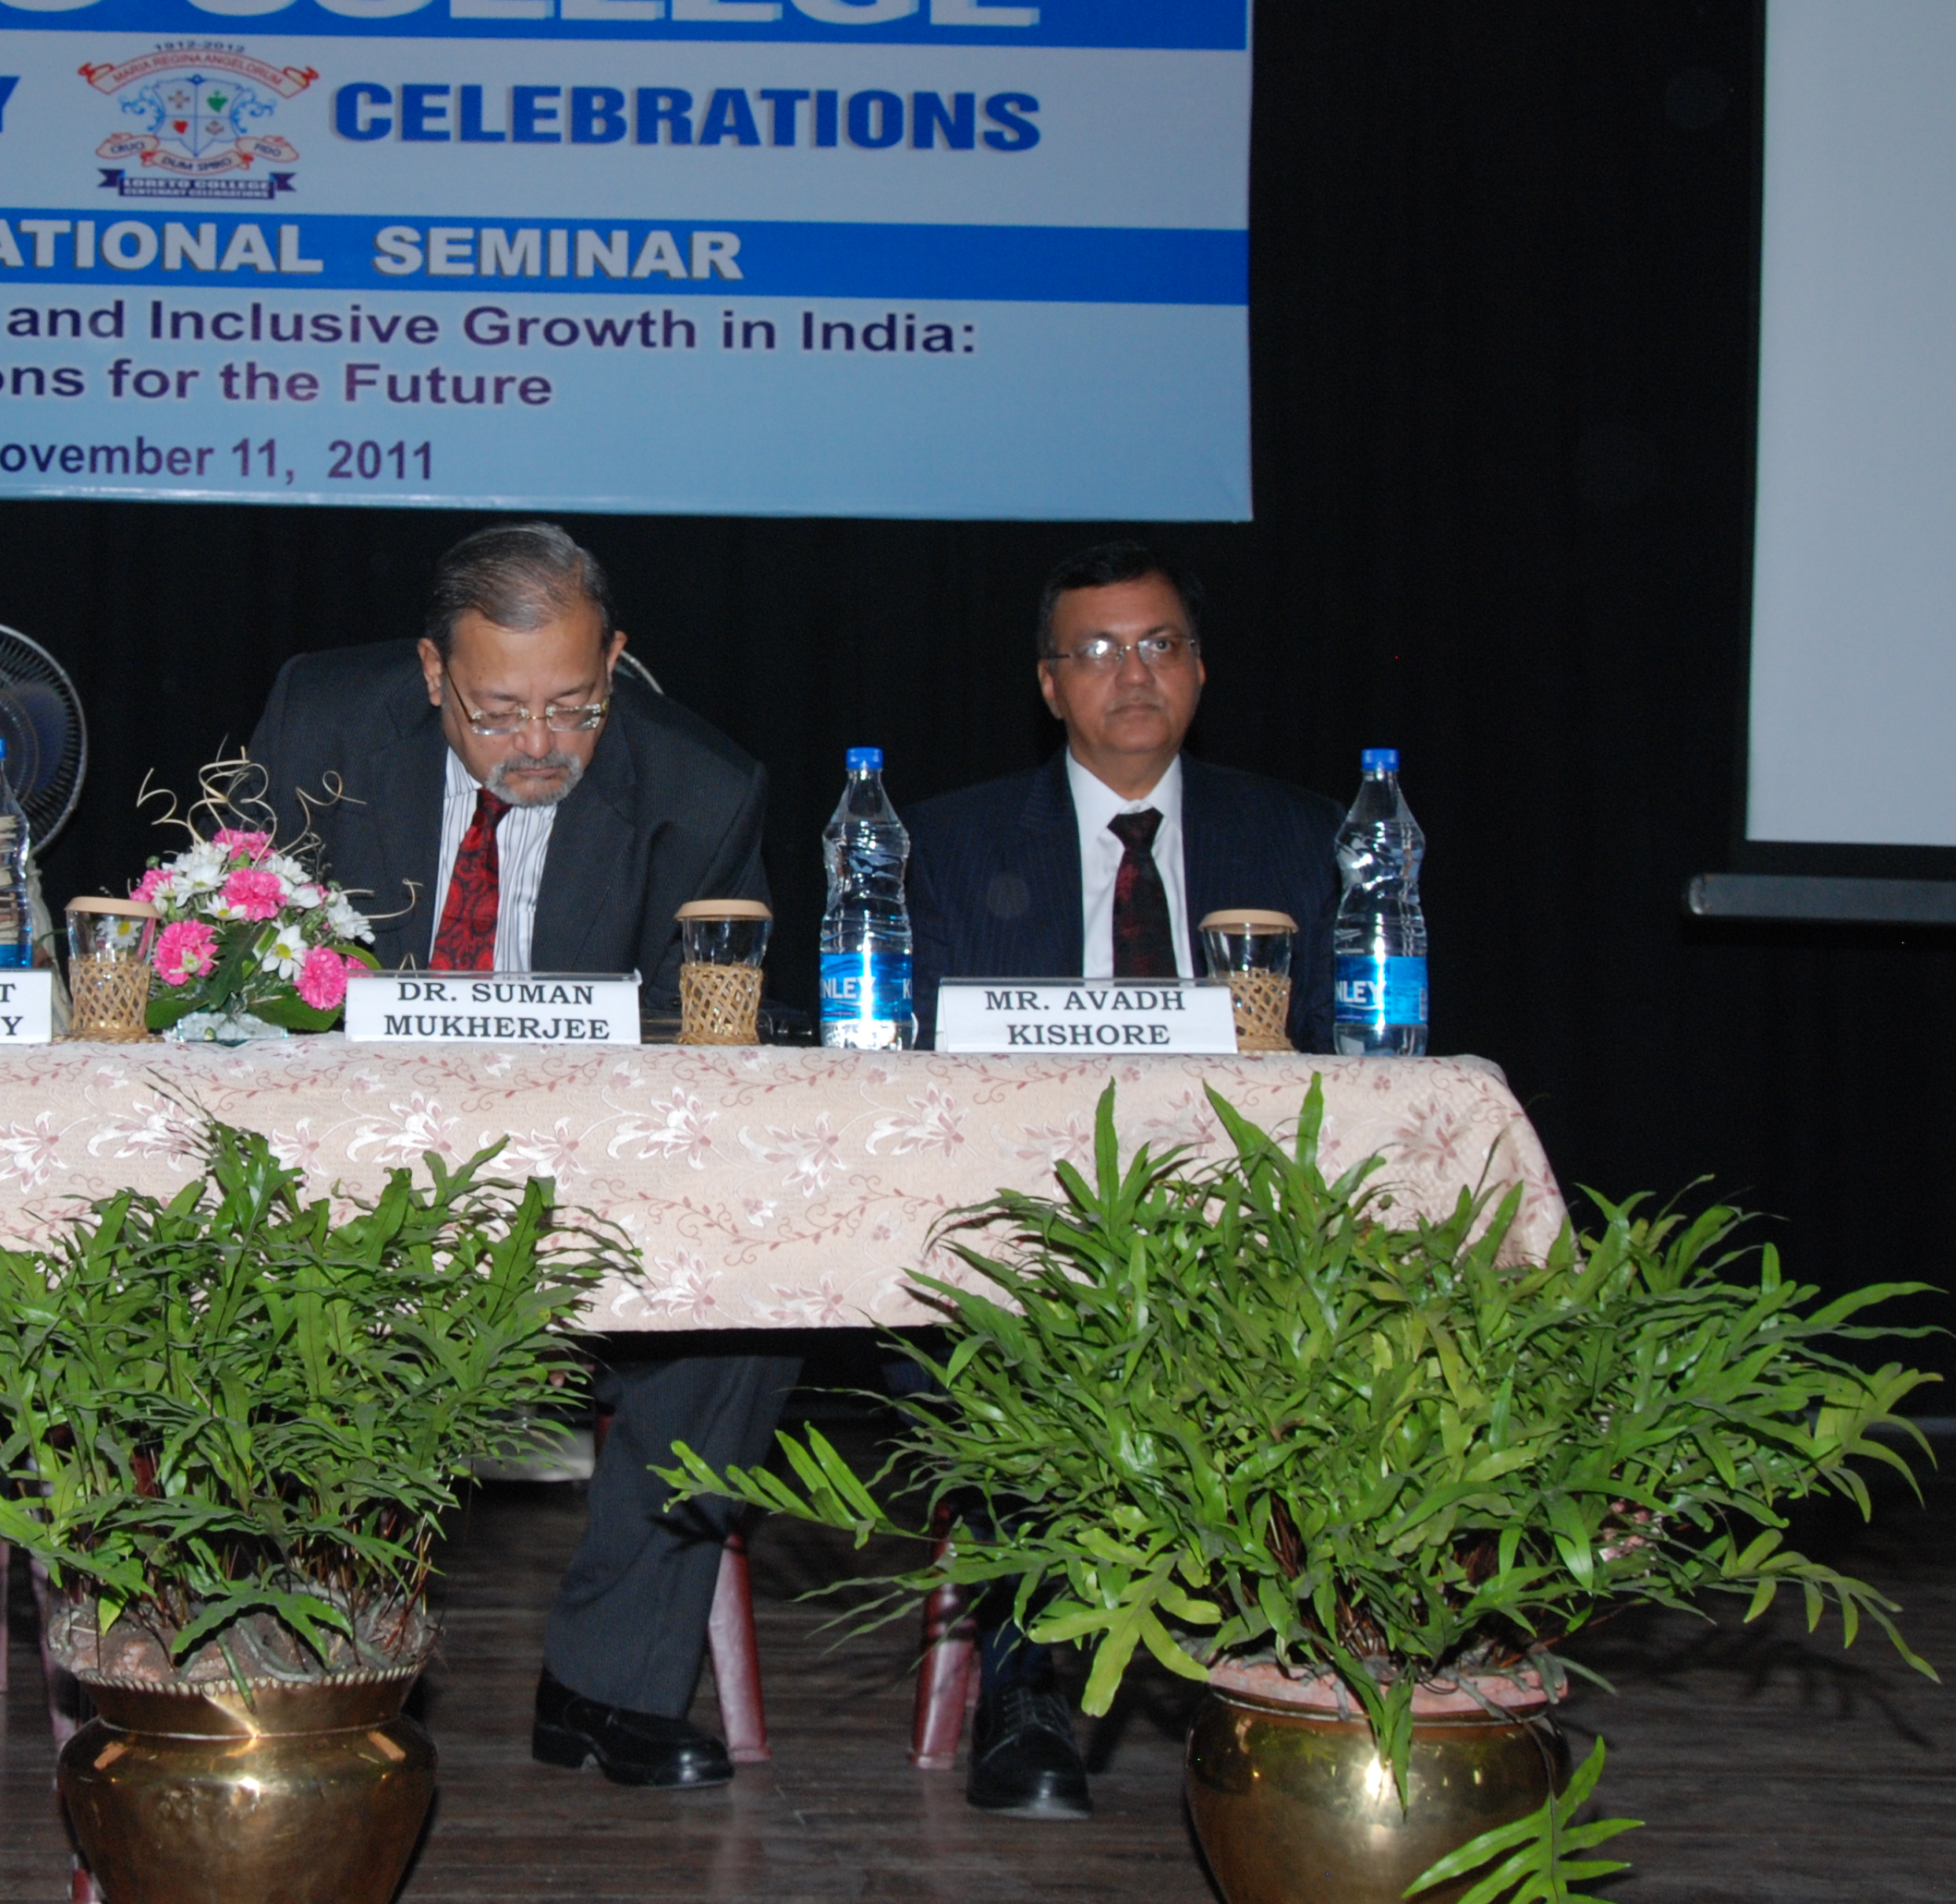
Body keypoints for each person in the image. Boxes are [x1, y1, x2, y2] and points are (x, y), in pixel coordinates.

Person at [249, 522, 796, 1791]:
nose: (540, 744)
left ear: (616, 659)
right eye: (498, 711)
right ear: (431, 673)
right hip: (349, 1184)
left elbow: (718, 1052)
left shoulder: (701, 788)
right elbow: (230, 964)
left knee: (757, 1309)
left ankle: (610, 1683)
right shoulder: (323, 725)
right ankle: (308, 1649)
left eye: (574, 704)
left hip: (586, 1194)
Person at [903, 536, 1344, 1815]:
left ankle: (1295, 1677)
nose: (1131, 674)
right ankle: (1027, 1687)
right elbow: (912, 1080)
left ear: (1199, 670)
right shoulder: (948, 843)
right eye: (1094, 651)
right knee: (1014, 1332)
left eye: (1158, 645)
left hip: (1243, 1233)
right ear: (1048, 685)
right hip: (1030, 1232)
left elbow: (1357, 1069)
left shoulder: (1303, 840)